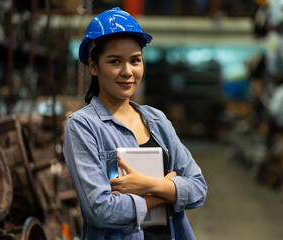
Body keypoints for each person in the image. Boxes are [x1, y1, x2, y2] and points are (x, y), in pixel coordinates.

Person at [63, 7, 207, 240]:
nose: (127, 71)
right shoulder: (83, 126)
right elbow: (101, 210)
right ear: (93, 66)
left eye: (135, 61)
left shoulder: (157, 120)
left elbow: (199, 189)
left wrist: (146, 184)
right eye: (115, 61)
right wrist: (164, 190)